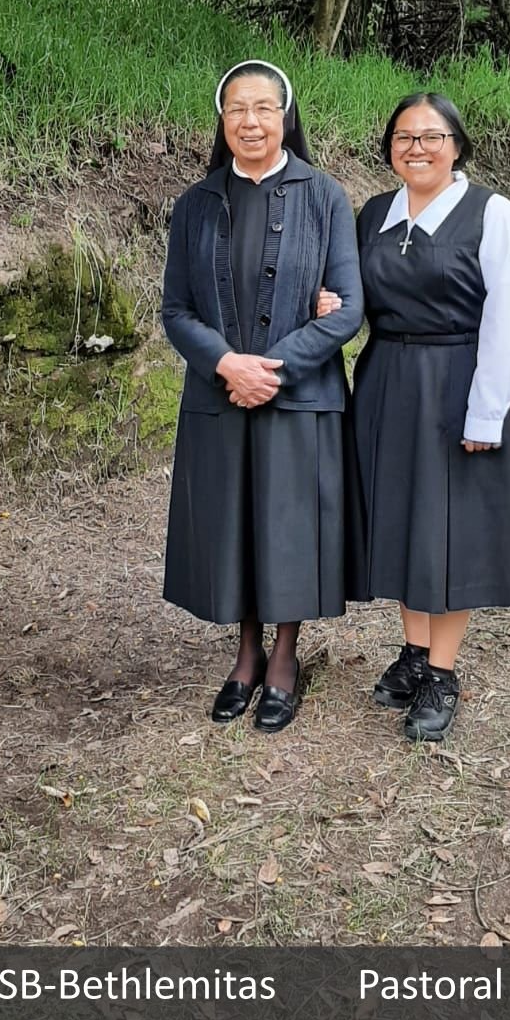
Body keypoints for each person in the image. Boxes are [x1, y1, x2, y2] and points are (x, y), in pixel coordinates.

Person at [161, 59, 365, 733]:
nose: (250, 121)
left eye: (263, 108)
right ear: (222, 121)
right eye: (236, 109)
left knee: (289, 523)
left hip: (298, 396)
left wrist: (272, 370)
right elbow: (176, 309)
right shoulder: (195, 205)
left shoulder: (325, 196)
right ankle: (245, 653)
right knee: (235, 520)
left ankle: (283, 657)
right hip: (220, 395)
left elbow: (347, 307)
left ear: (285, 116)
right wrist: (227, 364)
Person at [328, 91, 510, 742]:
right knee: (399, 520)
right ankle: (414, 653)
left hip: (455, 384)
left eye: (431, 136)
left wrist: (487, 412)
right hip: (386, 380)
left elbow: (507, 318)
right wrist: (328, 305)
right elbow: (353, 298)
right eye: (404, 137)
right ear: (390, 148)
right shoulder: (374, 214)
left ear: (457, 145)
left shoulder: (492, 214)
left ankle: (442, 673)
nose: (416, 148)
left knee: (452, 531)